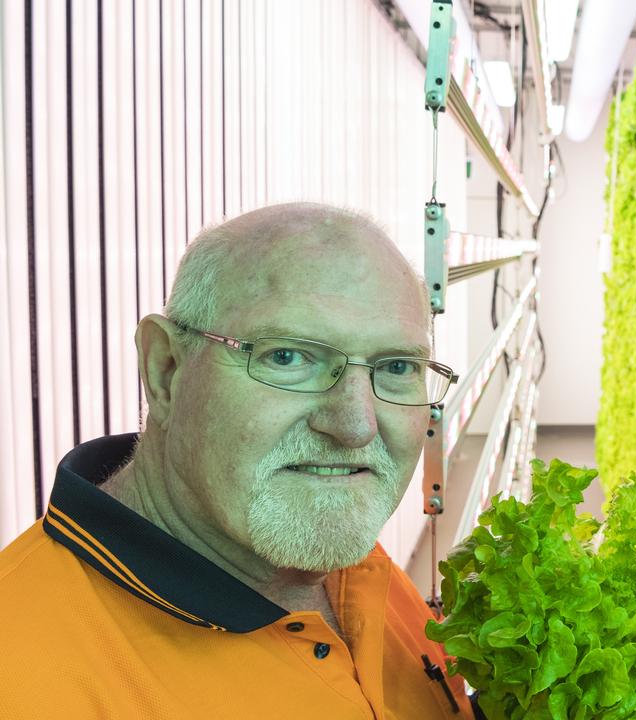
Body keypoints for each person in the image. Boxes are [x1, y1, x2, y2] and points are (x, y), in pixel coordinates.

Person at [0, 203, 473, 719]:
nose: (355, 425)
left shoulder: (333, 556)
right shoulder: (23, 676)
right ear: (166, 370)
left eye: (398, 366)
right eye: (288, 356)